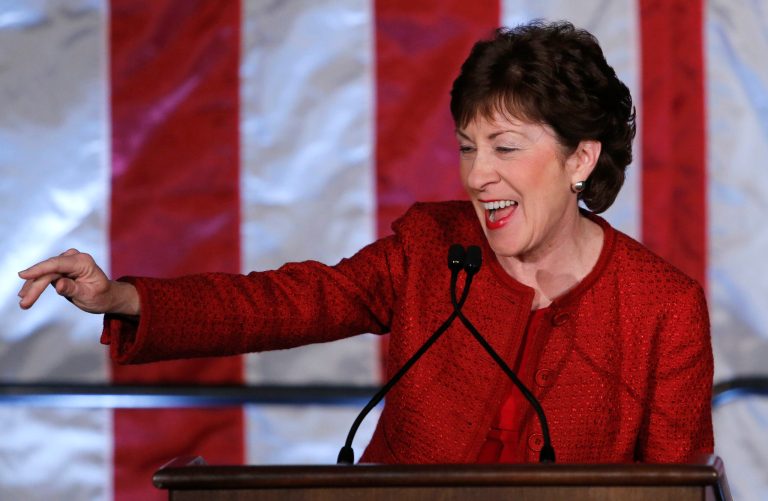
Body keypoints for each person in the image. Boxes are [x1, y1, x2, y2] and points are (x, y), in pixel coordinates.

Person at [17, 21, 713, 464]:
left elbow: (680, 488)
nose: (476, 175)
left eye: (505, 147)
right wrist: (123, 297)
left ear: (580, 159)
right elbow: (280, 303)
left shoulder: (664, 310)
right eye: (468, 147)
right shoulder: (429, 248)